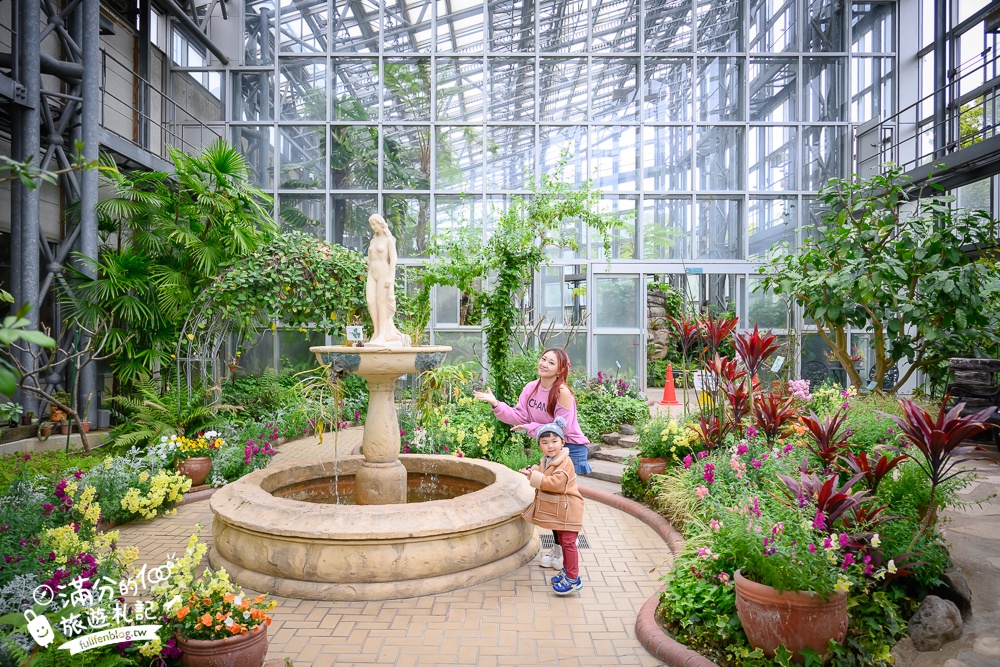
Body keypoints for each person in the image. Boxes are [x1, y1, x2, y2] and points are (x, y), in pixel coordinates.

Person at [473, 347, 591, 570]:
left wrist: (531, 427)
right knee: (552, 500)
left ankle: (562, 551)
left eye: (551, 363)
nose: (544, 364)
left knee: (561, 503)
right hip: (551, 446)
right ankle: (559, 549)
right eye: (543, 359)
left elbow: (560, 429)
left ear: (560, 370)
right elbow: (519, 416)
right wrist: (496, 403)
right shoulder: (531, 388)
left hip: (569, 447)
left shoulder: (562, 392)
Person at [521, 417, 585, 595]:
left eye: (554, 441)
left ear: (562, 442)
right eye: (545, 442)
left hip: (569, 509)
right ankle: (567, 571)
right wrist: (532, 472)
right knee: (565, 542)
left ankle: (573, 579)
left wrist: (534, 477)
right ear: (539, 445)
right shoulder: (548, 460)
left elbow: (555, 483)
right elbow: (543, 475)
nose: (550, 446)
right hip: (562, 509)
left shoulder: (565, 463)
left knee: (568, 543)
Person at [366, 213, 408, 347]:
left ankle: (383, 334)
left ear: (381, 223)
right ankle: (376, 332)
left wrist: (390, 276)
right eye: (371, 225)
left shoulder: (389, 240)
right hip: (371, 273)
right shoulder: (373, 241)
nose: (373, 227)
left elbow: (393, 259)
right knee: (370, 301)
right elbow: (369, 258)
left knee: (381, 302)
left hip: (383, 272)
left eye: (374, 224)